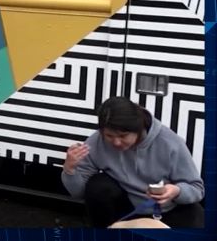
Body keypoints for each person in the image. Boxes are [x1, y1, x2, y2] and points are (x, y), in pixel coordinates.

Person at [61, 96, 204, 228]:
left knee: (197, 217)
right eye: (109, 135)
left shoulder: (170, 143)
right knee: (99, 185)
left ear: (139, 128)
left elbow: (197, 188)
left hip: (167, 210)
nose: (116, 142)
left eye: (123, 136)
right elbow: (79, 193)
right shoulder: (97, 141)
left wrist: (176, 191)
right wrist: (69, 170)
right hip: (128, 209)